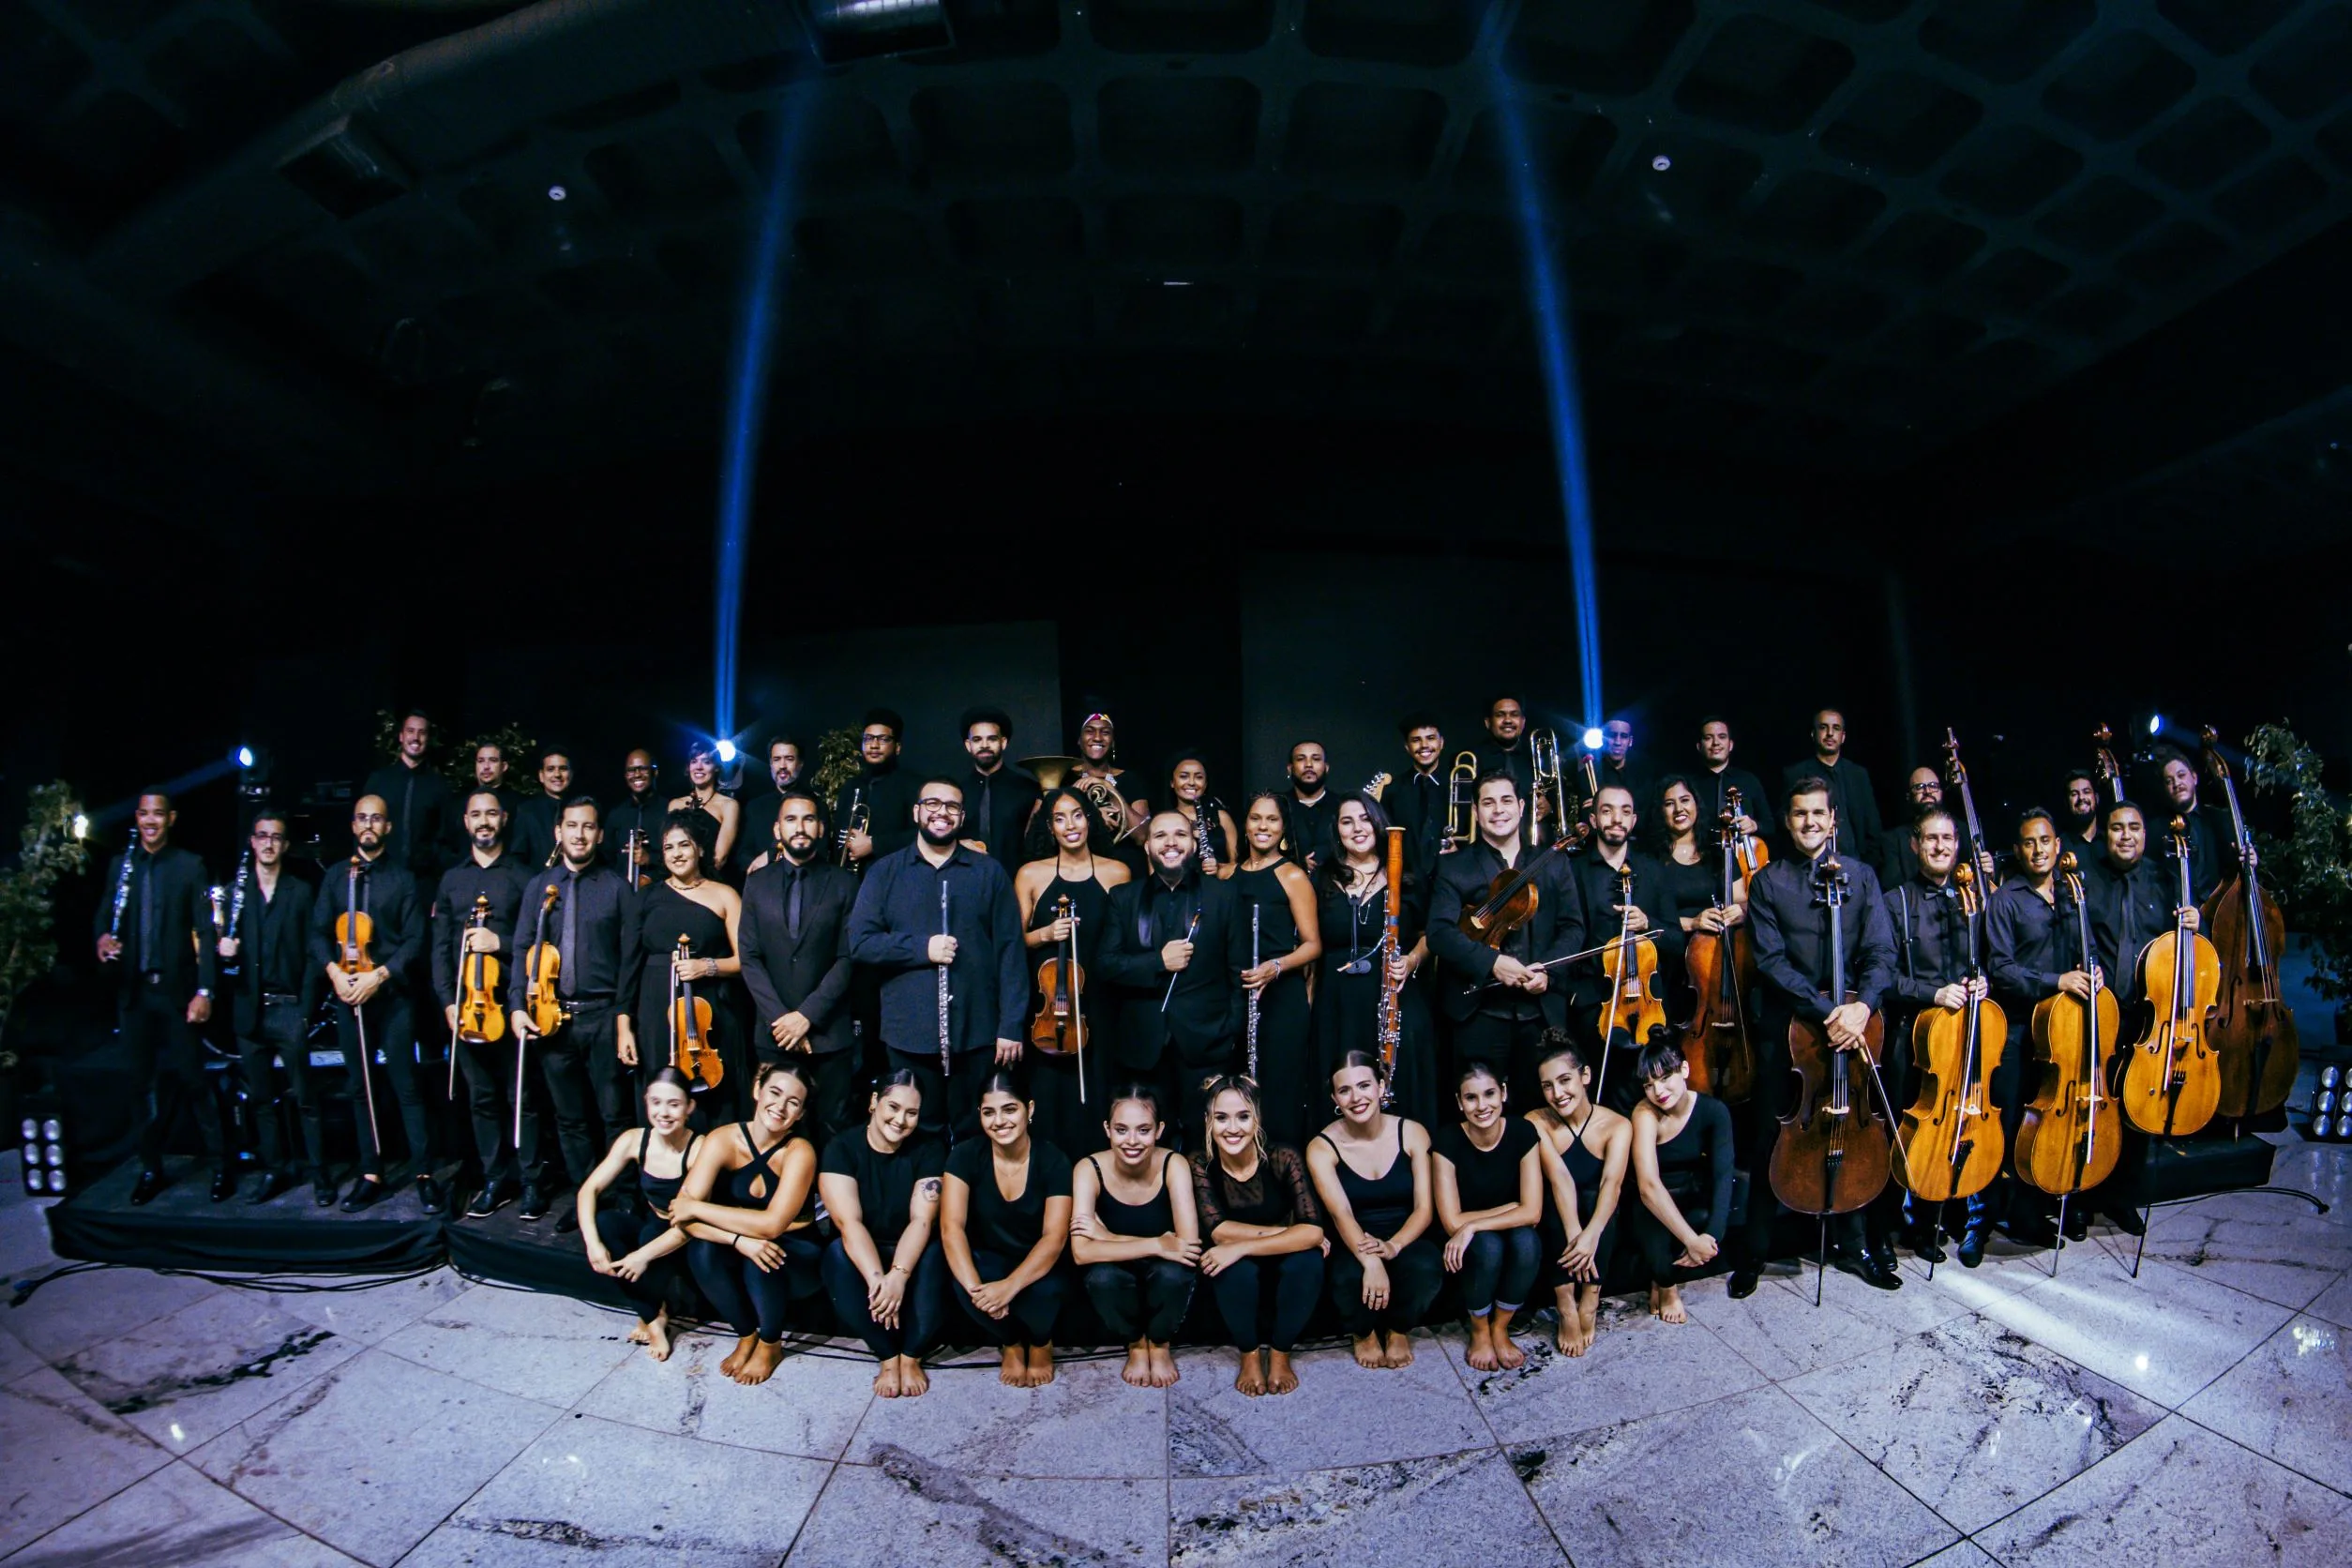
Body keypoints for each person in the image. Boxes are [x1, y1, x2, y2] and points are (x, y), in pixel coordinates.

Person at [1735, 778, 1900, 1293]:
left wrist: (1862, 1008)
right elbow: (1772, 963)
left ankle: (1855, 1247)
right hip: (1791, 1029)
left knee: (1855, 1129)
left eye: (1818, 814)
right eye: (1800, 814)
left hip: (1855, 1027)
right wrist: (1832, 1011)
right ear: (1788, 822)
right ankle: (1754, 1255)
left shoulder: (1862, 876)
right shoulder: (1768, 883)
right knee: (1771, 1136)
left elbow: (1881, 953)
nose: (1810, 822)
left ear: (1834, 821)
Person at [846, 777, 1026, 1140]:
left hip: (978, 1032)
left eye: (952, 806)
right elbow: (861, 943)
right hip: (907, 1032)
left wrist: (1011, 1025)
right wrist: (920, 949)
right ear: (916, 812)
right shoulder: (884, 872)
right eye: (932, 803)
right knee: (916, 1133)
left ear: (962, 818)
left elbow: (1011, 951)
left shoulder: (988, 872)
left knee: (976, 1131)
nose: (941, 812)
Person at [507, 797, 643, 1230]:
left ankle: (624, 1199)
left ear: (599, 835)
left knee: (613, 1115)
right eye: (571, 826)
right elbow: (521, 949)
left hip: (602, 1015)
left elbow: (630, 960)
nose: (580, 834)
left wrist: (624, 1019)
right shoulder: (539, 887)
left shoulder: (618, 887)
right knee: (569, 1119)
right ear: (558, 832)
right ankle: (587, 1199)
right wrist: (515, 1006)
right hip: (551, 1017)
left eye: (588, 827)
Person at [309, 794, 439, 1214]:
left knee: (407, 1086)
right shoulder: (334, 878)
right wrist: (334, 973)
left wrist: (378, 975)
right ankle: (371, 1173)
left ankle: (424, 1174)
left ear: (387, 827)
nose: (369, 825)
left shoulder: (402, 880)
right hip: (348, 996)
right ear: (353, 826)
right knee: (359, 1088)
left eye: (377, 819)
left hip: (392, 996)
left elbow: (416, 940)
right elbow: (315, 934)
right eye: (362, 818)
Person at [1427, 774, 1587, 1109]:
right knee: (1479, 1114)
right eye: (1488, 802)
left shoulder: (1554, 862)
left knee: (1541, 1114)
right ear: (1475, 810)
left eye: (1505, 801)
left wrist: (1549, 971)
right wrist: (1493, 963)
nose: (1498, 810)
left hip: (1540, 1014)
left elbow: (1573, 928)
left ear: (1521, 806)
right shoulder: (1454, 866)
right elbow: (1440, 934)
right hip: (1478, 1015)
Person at [97, 792, 225, 1205]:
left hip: (177, 995)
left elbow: (206, 934)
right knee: (140, 1086)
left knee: (194, 1082)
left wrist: (205, 990)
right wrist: (101, 938)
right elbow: (103, 916)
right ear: (137, 818)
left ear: (171, 819)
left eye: (158, 813)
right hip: (135, 996)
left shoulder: (190, 866)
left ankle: (222, 1166)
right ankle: (150, 1168)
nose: (151, 820)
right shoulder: (122, 866)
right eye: (144, 813)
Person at [1880, 806, 1993, 1264]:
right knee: (1915, 1129)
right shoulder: (1896, 902)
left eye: (1947, 838)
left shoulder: (1975, 901)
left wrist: (1983, 980)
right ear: (1915, 844)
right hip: (1916, 1036)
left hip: (1968, 1034)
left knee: (1963, 1123)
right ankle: (1907, 1225)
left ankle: (1954, 1223)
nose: (1941, 846)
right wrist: (1933, 993)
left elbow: (1995, 961)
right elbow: (1884, 977)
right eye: (1931, 838)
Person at [1097, 811, 1249, 1143]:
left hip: (1208, 1043)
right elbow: (1106, 965)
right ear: (1148, 845)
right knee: (1148, 1143)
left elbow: (1237, 971)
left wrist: (1231, 1030)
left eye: (1180, 835)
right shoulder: (1122, 898)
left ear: (1194, 843)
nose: (1170, 843)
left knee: (1206, 1139)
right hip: (1141, 1046)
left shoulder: (1223, 896)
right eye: (1161, 835)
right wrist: (1158, 961)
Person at [1987, 808, 2103, 1246]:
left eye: (2046, 841)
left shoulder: (2074, 895)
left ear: (2059, 845)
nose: (2038, 850)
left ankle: (2061, 1199)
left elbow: (2088, 950)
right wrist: (2058, 981)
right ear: (2019, 850)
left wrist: (2094, 971)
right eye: (2029, 843)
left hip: (2067, 1030)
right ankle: (2021, 1213)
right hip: (2020, 1029)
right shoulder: (2006, 900)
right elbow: (2001, 969)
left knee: (2063, 1115)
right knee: (2021, 1120)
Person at [2084, 798, 2199, 1235]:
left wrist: (2195, 918)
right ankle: (2083, 1194)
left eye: (2133, 827)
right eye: (2117, 828)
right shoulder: (2089, 880)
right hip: (2102, 1010)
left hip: (2150, 1016)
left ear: (2144, 835)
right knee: (2094, 1103)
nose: (2126, 835)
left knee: (2136, 1109)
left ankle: (2122, 1198)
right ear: (2106, 834)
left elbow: (2183, 950)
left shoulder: (2166, 880)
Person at [670, 1062, 824, 1384]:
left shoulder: (799, 1151)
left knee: (764, 1253)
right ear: (757, 1090)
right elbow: (681, 1217)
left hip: (796, 1253)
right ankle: (746, 1334)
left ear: (801, 1114)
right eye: (775, 1093)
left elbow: (772, 1225)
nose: (780, 1107)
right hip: (744, 1244)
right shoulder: (722, 1139)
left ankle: (771, 1343)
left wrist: (697, 1206)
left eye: (793, 1103)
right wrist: (739, 1241)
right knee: (702, 1251)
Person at [430, 790, 537, 1219]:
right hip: (469, 1007)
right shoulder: (452, 880)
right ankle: (495, 1178)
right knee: (481, 1099)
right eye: (476, 814)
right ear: (466, 822)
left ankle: (530, 1180)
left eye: (491, 813)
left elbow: (535, 944)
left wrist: (501, 942)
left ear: (504, 818)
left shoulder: (523, 877)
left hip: (510, 1007)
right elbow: (439, 948)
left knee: (522, 1099)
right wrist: (446, 1002)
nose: (484, 821)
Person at [1191, 1074, 1326, 1396]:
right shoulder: (1199, 1163)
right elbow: (1220, 1230)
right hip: (1248, 1261)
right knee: (1231, 1268)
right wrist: (1289, 1233)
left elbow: (1313, 1231)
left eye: (1243, 1116)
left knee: (1307, 1262)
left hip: (1283, 1256)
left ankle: (1280, 1353)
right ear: (1208, 1120)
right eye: (1222, 1118)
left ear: (1257, 1119)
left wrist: (1241, 1246)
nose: (1232, 1128)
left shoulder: (1283, 1157)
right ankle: (1249, 1355)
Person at [1014, 787, 1132, 1154]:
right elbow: (1012, 943)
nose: (1070, 825)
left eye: (1077, 815)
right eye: (1060, 818)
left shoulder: (1117, 872)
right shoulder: (1031, 874)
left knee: (1099, 1092)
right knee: (1050, 1097)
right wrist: (1046, 934)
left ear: (1089, 818)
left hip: (1102, 1002)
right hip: (1051, 1006)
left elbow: (1127, 942)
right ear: (1050, 827)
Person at [738, 791, 860, 1143]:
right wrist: (782, 1020)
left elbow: (848, 957)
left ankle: (824, 1199)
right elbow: (750, 956)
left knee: (829, 1127)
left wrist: (806, 1016)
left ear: (821, 828)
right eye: (791, 820)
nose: (800, 827)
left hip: (828, 1034)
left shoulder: (845, 884)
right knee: (772, 1128)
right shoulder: (757, 883)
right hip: (773, 1033)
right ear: (777, 830)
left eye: (808, 819)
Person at [819, 1070, 950, 1397]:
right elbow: (850, 1224)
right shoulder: (842, 1147)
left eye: (912, 1113)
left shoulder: (930, 1149)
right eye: (893, 1107)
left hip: (910, 1246)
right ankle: (888, 1357)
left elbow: (922, 1220)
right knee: (836, 1254)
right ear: (874, 1103)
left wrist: (899, 1275)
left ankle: (911, 1355)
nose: (901, 1119)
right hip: (865, 1247)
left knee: (936, 1253)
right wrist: (880, 1280)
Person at [1307, 1052, 1442, 1369]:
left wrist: (1393, 1247)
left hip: (1404, 1234)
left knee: (1426, 1265)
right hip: (1353, 1236)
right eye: (1345, 1090)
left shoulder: (1412, 1132)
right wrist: (1371, 1260)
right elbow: (1341, 1214)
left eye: (1364, 1085)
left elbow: (1425, 1209)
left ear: (1381, 1087)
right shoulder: (1321, 1146)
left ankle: (1398, 1329)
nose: (1356, 1098)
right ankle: (1363, 1332)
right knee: (1346, 1276)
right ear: (1335, 1098)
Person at [1312, 792, 1438, 1131]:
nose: (1357, 828)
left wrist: (1412, 960)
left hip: (1394, 995)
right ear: (1336, 830)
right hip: (1337, 1001)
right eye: (1347, 821)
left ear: (1379, 822)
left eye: (1365, 818)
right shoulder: (1321, 878)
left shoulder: (1407, 876)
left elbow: (1432, 934)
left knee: (1399, 1085)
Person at [941, 1068, 1074, 1387]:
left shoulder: (1053, 1160)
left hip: (1039, 1265)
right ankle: (1011, 1342)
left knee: (1048, 1288)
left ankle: (1041, 1342)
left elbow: (1054, 1238)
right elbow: (951, 1228)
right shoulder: (964, 1156)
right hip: (992, 1261)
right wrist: (979, 1292)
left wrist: (1009, 1287)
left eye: (1009, 1109)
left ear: (1030, 1109)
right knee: (962, 1277)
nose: (999, 1121)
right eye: (989, 1112)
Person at [216, 808, 323, 1205]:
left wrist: (306, 1007)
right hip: (249, 1011)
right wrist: (224, 952)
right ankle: (275, 1169)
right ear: (252, 841)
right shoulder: (233, 894)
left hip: (289, 1009)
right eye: (262, 836)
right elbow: (223, 956)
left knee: (306, 1096)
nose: (268, 844)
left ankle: (318, 1171)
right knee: (261, 1099)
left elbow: (314, 952)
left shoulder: (300, 892)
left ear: (285, 845)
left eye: (276, 837)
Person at [578, 1068, 709, 1365]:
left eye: (674, 1104)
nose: (663, 1112)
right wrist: (592, 1244)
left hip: (689, 1234)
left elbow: (688, 1225)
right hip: (655, 1223)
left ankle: (650, 1318)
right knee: (605, 1225)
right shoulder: (634, 1140)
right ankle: (654, 1315)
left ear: (690, 1107)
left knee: (649, 1238)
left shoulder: (700, 1148)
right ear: (646, 1103)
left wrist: (643, 1256)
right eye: (656, 1103)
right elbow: (589, 1190)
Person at [1072, 1084, 1199, 1389]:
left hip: (1162, 1273)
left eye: (1143, 1130)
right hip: (1119, 1272)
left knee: (1175, 1275)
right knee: (1101, 1278)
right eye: (1121, 1129)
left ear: (1159, 1130)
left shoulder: (1174, 1164)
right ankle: (1136, 1343)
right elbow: (1081, 1252)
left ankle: (1159, 1343)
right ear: (1107, 1129)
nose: (1131, 1141)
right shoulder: (1088, 1169)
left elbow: (1188, 1248)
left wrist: (1105, 1237)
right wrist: (1158, 1243)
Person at [1569, 782, 1686, 1106]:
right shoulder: (1573, 872)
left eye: (1624, 811)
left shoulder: (1653, 871)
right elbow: (1567, 937)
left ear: (1634, 821)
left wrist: (1649, 924)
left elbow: (1676, 941)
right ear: (1593, 820)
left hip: (1649, 1007)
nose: (1616, 819)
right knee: (1598, 1099)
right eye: (1606, 811)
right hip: (1595, 1005)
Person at [1432, 1061, 1545, 1371]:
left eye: (1489, 1094)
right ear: (1459, 1102)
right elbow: (1452, 1222)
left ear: (1503, 1093)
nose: (1482, 1106)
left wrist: (1472, 1224)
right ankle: (1480, 1328)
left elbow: (1533, 1211)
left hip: (1506, 1229)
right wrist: (1508, 1211)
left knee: (1527, 1241)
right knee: (1488, 1245)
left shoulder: (1522, 1131)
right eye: (1471, 1098)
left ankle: (1501, 1326)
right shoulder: (1446, 1140)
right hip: (1476, 1244)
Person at [632, 812, 746, 1117]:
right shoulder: (646, 897)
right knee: (661, 1092)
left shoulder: (725, 895)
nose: (677, 854)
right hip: (655, 1009)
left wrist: (706, 966)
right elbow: (629, 963)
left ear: (700, 849)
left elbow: (745, 961)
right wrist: (623, 1022)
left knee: (712, 1097)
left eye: (684, 845)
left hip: (710, 1011)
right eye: (669, 847)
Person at [1527, 1034, 1628, 1356]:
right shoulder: (1536, 1120)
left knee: (1599, 1199)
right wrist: (1576, 1236)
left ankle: (1591, 1297)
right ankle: (1566, 1303)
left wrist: (1591, 1236)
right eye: (1547, 1086)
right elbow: (1559, 1179)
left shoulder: (1617, 1125)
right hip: (1558, 1216)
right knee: (1558, 1205)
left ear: (1585, 1076)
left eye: (1565, 1080)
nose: (1557, 1094)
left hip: (1599, 1212)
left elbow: (1613, 1183)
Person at [1230, 793, 1322, 1142]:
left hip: (1281, 995)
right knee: (1241, 1091)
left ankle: (1286, 1174)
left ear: (1283, 828)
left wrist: (1275, 966)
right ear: (1245, 825)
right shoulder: (1229, 874)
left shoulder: (1292, 875)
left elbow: (1314, 945)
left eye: (1272, 820)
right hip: (1241, 994)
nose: (1263, 826)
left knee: (1279, 1091)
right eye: (1256, 818)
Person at [1627, 1039, 1739, 1326]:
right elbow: (1649, 1186)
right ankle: (1665, 1286)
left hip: (1689, 1192)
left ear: (1685, 1069)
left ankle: (1666, 1273)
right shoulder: (1645, 1113)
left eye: (1665, 1079)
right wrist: (1691, 1240)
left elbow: (1723, 1174)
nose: (1658, 1092)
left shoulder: (1714, 1111)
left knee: (1711, 1215)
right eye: (1649, 1085)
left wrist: (1710, 1237)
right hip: (1650, 1199)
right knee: (1655, 1233)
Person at [363, 709, 457, 882]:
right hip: (380, 877)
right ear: (401, 736)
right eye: (410, 731)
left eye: (422, 732)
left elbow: (445, 839)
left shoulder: (439, 786)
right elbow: (362, 829)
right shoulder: (379, 780)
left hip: (424, 882)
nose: (415, 737)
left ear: (428, 739)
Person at [1779, 709, 1883, 864]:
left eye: (1836, 728)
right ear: (1813, 734)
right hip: (1809, 865)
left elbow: (1872, 827)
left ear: (1843, 737)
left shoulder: (1858, 774)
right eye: (1823, 727)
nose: (1829, 733)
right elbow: (1784, 823)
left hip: (1856, 864)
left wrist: (1867, 867)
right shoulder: (1794, 774)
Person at [835, 708, 919, 870]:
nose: (874, 745)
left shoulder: (914, 786)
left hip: (895, 878)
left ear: (897, 747)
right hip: (850, 883)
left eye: (883, 739)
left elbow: (922, 835)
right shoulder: (850, 787)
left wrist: (874, 844)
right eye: (868, 739)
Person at [958, 707, 1040, 872]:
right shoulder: (956, 791)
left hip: (1016, 882)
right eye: (977, 740)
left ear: (1003, 742)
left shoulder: (1029, 789)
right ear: (968, 745)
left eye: (992, 739)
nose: (984, 745)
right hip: (965, 880)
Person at [2157, 746, 2231, 905]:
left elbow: (2232, 868)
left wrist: (2248, 859)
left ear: (2195, 778)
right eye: (2169, 781)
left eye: (2181, 775)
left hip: (2220, 914)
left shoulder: (2219, 819)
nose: (2176, 783)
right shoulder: (2158, 829)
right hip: (2180, 918)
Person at [1388, 712, 1453, 877]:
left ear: (1442, 742)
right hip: (1408, 884)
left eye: (1431, 738)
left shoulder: (1460, 785)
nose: (1424, 745)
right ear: (1407, 747)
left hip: (1453, 879)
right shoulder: (1393, 790)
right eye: (1416, 740)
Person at [1473, 695, 1539, 848]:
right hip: (1484, 850)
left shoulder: (1539, 758)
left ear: (1523, 723)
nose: (1508, 720)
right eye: (1500, 715)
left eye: (1514, 715)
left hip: (1535, 848)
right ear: (1488, 722)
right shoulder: (1473, 759)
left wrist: (1549, 805)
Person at [671, 743, 742, 880]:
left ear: (716, 767)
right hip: (678, 880)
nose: (699, 767)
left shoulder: (729, 805)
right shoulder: (675, 805)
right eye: (694, 761)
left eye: (706, 762)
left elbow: (720, 858)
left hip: (711, 880)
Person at [1167, 753, 1238, 877]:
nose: (1191, 782)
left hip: (1218, 887)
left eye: (1199, 777)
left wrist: (1218, 867)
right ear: (1172, 782)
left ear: (1205, 784)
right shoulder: (1164, 821)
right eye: (1184, 776)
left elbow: (1235, 865)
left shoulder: (1221, 817)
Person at [1694, 716, 1766, 835]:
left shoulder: (1749, 780)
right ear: (1699, 747)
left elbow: (1770, 824)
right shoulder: (1689, 785)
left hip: (1740, 851)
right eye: (1708, 738)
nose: (1716, 743)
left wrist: (1755, 825)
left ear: (1730, 745)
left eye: (1722, 737)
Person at [1877, 767, 1944, 889]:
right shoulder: (1892, 840)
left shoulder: (1960, 831)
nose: (1927, 791)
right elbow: (1891, 889)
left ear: (1941, 792)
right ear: (1909, 797)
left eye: (1933, 786)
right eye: (1919, 787)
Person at [607, 749, 666, 887]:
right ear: (626, 776)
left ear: (655, 772)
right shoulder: (616, 814)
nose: (637, 774)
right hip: (622, 894)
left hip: (661, 893)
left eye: (643, 769)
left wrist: (650, 859)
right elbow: (607, 859)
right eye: (631, 770)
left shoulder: (669, 810)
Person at [511, 748, 575, 869]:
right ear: (541, 776)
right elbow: (517, 859)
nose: (557, 774)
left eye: (563, 769)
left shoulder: (582, 810)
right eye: (550, 769)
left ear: (571, 774)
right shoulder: (526, 811)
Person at [1282, 742, 1336, 869]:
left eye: (1316, 759)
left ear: (1326, 767)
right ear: (1290, 768)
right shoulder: (1277, 806)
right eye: (1301, 759)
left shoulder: (1343, 806)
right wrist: (1297, 862)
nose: (1308, 765)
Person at [471, 740, 527, 825]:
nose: (486, 767)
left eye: (493, 760)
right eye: (481, 761)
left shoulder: (521, 805)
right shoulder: (460, 804)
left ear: (504, 766)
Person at [1597, 717, 1647, 807]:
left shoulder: (1644, 774)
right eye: (1612, 735)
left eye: (1623, 736)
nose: (1617, 742)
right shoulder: (1592, 772)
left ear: (1630, 741)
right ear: (1602, 739)